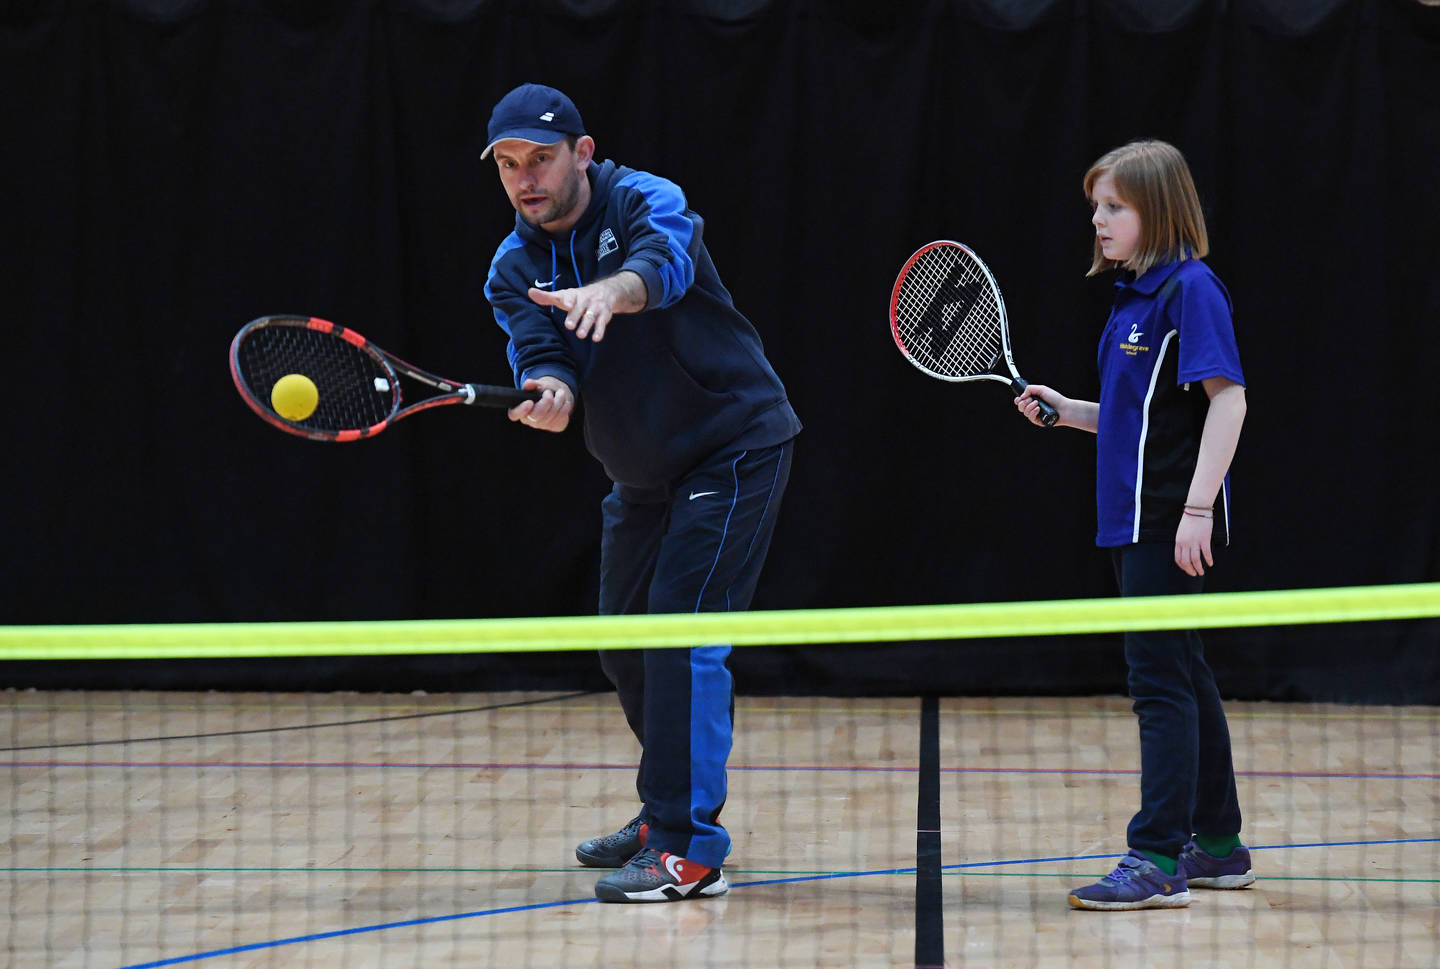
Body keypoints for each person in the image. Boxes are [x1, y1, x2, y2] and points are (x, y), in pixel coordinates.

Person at [480, 82, 801, 903]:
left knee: (680, 636)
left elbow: (665, 265)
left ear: (582, 154)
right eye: (510, 164)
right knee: (623, 645)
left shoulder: (643, 198)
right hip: (640, 471)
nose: (526, 178)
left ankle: (687, 847)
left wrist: (608, 292)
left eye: (540, 158)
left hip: (732, 444)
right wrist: (547, 391)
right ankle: (664, 808)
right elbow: (538, 349)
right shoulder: (513, 265)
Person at [1015, 139, 1255, 911]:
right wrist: (1068, 412)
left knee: (1158, 682)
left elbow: (1229, 399)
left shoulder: (1192, 290)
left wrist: (1193, 510)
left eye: (1113, 205)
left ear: (1158, 208)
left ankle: (1157, 856)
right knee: (1183, 671)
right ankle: (1218, 844)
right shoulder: (1132, 298)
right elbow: (1131, 419)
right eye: (1096, 206)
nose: (1098, 219)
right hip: (1128, 515)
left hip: (1164, 518)